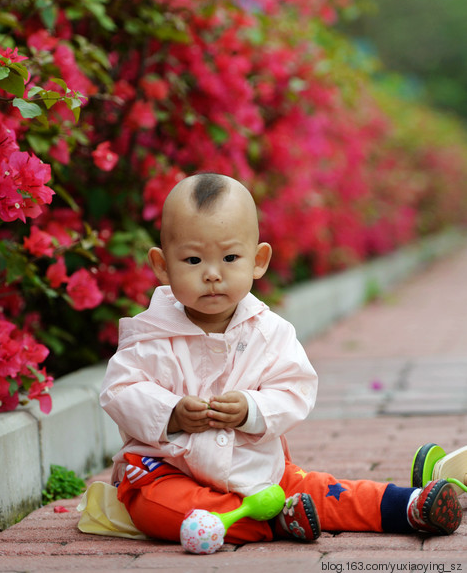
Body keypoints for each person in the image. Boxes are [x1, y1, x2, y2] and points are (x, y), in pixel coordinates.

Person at [100, 173, 463, 544]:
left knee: (323, 491)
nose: (212, 274)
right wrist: (171, 411)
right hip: (164, 469)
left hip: (255, 467)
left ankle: (406, 506)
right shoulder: (150, 334)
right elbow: (120, 390)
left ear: (258, 261)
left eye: (229, 257)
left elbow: (295, 388)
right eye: (193, 260)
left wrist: (252, 408)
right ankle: (275, 522)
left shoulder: (270, 332)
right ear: (162, 266)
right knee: (164, 509)